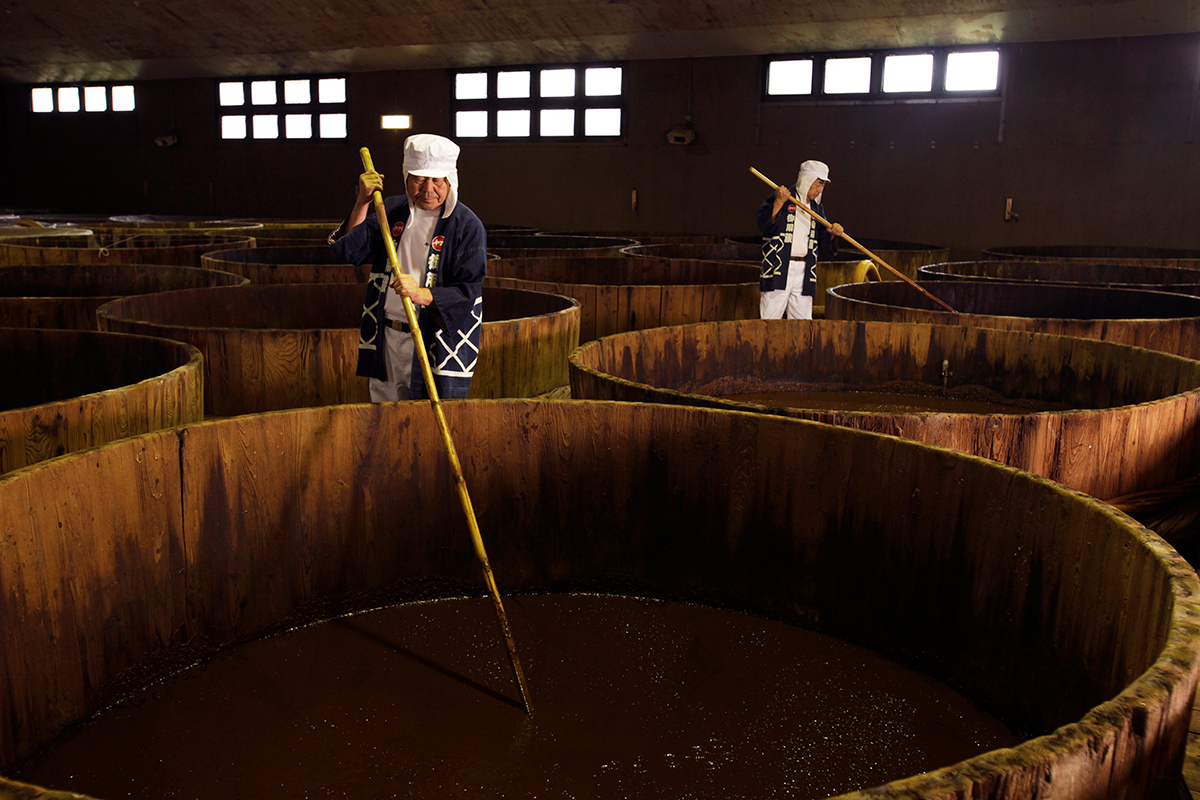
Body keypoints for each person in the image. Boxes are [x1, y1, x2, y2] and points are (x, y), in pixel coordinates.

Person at [330, 133, 486, 401]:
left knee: (425, 416)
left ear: (450, 180)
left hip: (432, 336)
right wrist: (363, 201)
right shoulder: (390, 210)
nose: (428, 189)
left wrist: (421, 294)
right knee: (384, 411)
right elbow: (350, 251)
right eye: (418, 179)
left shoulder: (466, 225)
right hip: (387, 334)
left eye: (437, 180)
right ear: (406, 177)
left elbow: (468, 290)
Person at [754, 160, 845, 320]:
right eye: (818, 184)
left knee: (802, 322)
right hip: (779, 267)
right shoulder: (783, 197)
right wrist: (779, 202)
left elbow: (822, 240)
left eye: (823, 185)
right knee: (770, 319)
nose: (820, 189)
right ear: (806, 181)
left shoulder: (816, 208)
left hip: (805, 270)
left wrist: (832, 233)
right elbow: (763, 224)